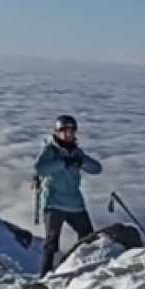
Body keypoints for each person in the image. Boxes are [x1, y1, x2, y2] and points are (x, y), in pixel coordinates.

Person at [33, 114, 102, 277]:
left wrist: (80, 161)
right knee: (51, 244)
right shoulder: (50, 150)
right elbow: (39, 169)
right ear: (56, 132)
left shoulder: (76, 152)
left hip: (74, 203)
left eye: (71, 130)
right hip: (53, 204)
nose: (68, 134)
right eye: (63, 131)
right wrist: (63, 162)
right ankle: (45, 277)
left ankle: (84, 269)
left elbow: (97, 168)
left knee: (89, 239)